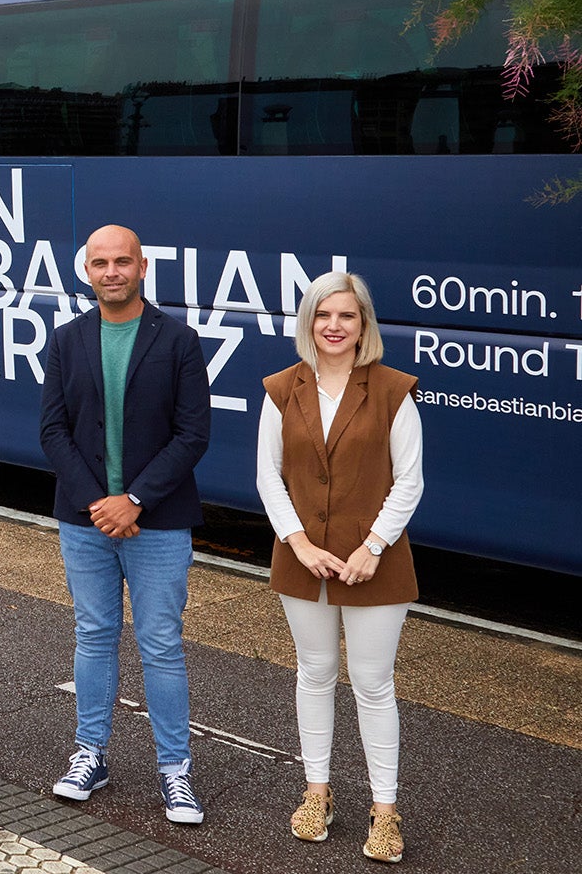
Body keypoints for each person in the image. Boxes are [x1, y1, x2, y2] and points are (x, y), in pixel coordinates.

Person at [40, 224, 210, 824]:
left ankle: (175, 770)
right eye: (100, 263)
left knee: (161, 645)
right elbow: (53, 431)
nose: (111, 272)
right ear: (86, 270)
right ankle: (91, 754)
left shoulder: (179, 340)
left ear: (142, 267)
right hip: (86, 521)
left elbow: (193, 435)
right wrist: (98, 503)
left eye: (122, 262)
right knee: (93, 635)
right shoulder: (66, 341)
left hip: (158, 523)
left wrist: (133, 500)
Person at [258, 271, 421, 863]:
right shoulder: (281, 389)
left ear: (364, 325)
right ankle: (318, 792)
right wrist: (298, 544)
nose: (334, 326)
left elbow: (410, 482)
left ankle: (385, 809)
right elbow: (268, 478)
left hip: (374, 562)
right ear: (308, 322)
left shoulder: (393, 390)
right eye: (324, 315)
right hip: (304, 559)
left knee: (374, 685)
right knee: (314, 672)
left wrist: (372, 546)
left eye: (347, 316)